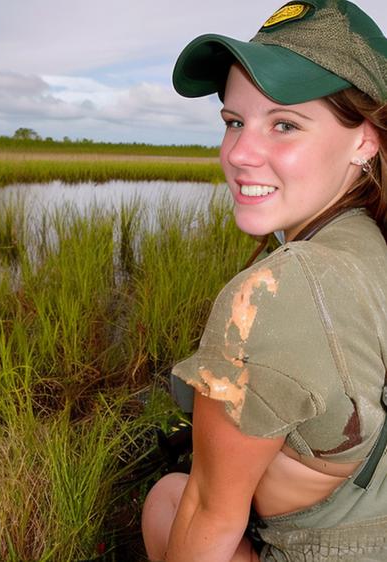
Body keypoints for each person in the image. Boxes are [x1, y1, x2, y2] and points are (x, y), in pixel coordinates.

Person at [141, 0, 387, 561]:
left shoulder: (277, 291)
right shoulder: (371, 240)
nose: (239, 153)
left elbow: (209, 512)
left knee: (170, 498)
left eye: (284, 124)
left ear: (365, 139)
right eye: (234, 121)